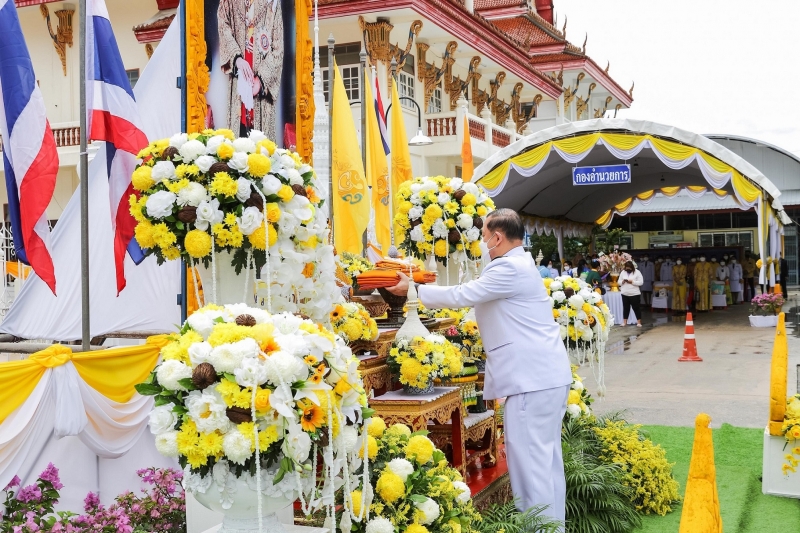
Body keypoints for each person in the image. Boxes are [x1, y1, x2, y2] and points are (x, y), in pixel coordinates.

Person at [386, 208, 572, 523]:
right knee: (545, 464)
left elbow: (463, 294)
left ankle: (541, 528)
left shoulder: (508, 268)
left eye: (484, 236)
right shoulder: (520, 262)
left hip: (533, 381)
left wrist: (413, 290)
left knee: (531, 468)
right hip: (543, 378)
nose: (482, 242)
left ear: (497, 237)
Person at [218, 0, 285, 138]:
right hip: (239, 84)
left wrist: (260, 80)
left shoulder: (272, 3)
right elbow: (223, 25)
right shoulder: (229, 2)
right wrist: (237, 59)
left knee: (262, 150)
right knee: (238, 147)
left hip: (261, 91)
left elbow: (278, 50)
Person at [619, 260, 643, 327]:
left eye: (629, 268)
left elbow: (641, 282)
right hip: (625, 293)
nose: (628, 269)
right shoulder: (623, 272)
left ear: (632, 267)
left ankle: (639, 322)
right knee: (626, 308)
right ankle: (624, 322)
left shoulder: (637, 272)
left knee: (636, 308)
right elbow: (619, 281)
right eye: (627, 268)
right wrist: (623, 282)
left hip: (634, 294)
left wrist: (632, 282)